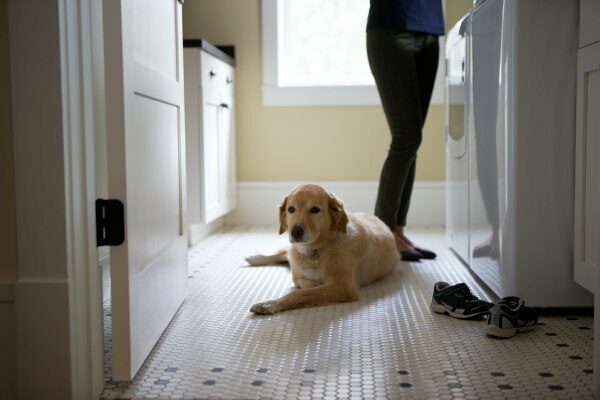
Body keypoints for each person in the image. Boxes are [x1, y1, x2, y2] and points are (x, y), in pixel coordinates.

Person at [366, 0, 443, 261]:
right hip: (390, 28)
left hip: (431, 31)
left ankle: (397, 230)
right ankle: (383, 233)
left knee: (412, 141)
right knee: (406, 138)